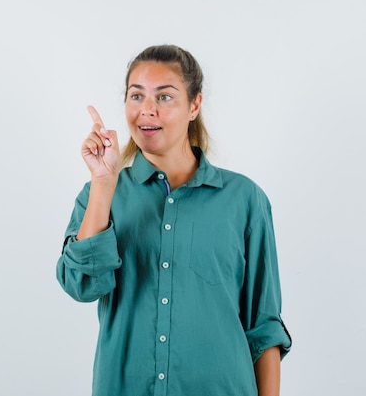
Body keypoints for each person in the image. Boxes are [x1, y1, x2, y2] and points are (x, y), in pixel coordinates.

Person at [56, 44, 292, 396]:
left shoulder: (245, 199)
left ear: (194, 105)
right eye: (136, 96)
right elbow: (82, 285)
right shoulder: (100, 194)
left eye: (164, 97)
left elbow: (263, 325)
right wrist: (103, 184)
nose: (146, 110)